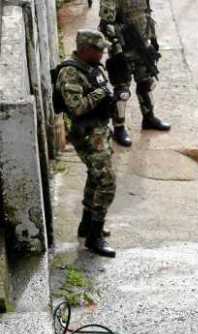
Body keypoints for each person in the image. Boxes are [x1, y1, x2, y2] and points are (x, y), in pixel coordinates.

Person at [54, 29, 117, 258]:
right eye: (98, 50)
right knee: (107, 183)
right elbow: (77, 107)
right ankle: (94, 237)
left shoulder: (93, 66)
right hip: (86, 134)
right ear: (85, 50)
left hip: (100, 130)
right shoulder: (70, 72)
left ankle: (87, 225)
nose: (102, 54)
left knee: (95, 176)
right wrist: (100, 94)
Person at [98, 0, 171, 147]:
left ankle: (149, 118)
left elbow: (147, 15)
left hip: (142, 46)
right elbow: (105, 25)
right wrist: (117, 48)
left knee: (146, 83)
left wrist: (153, 39)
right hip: (123, 49)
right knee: (122, 92)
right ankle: (119, 128)